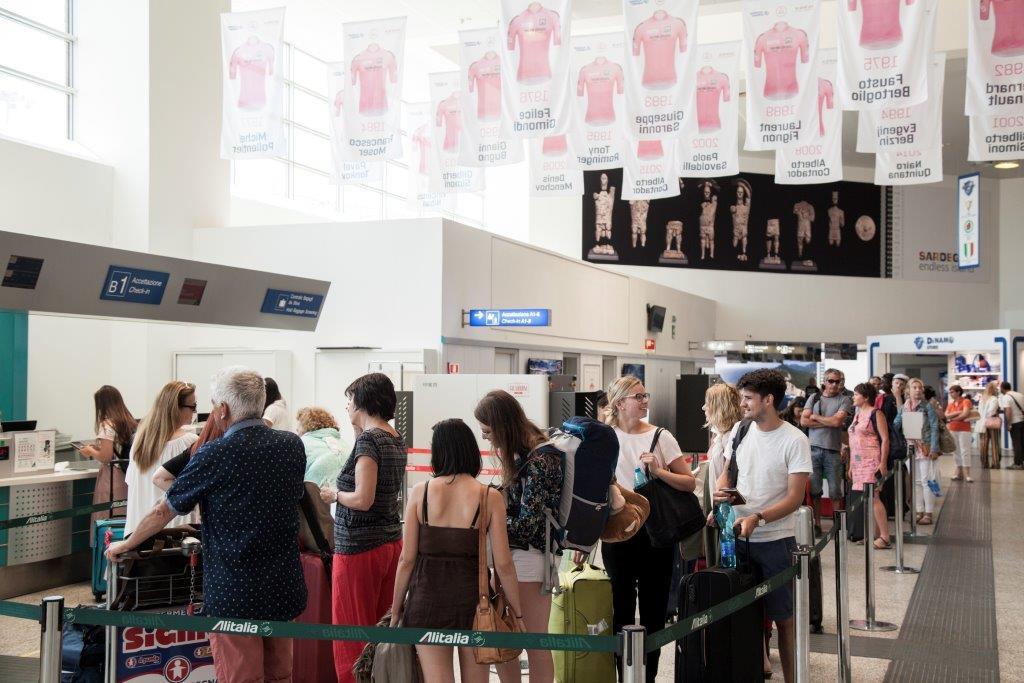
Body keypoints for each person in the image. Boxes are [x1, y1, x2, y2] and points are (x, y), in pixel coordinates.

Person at [107, 367, 307, 683]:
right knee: (280, 676)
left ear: (223, 409)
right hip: (283, 587)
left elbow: (164, 511)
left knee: (241, 677)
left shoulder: (215, 453)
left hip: (234, 591)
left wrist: (127, 543)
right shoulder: (291, 444)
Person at [390, 419, 525, 683]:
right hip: (474, 604)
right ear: (471, 451)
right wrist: (517, 613)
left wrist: (396, 609)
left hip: (426, 601)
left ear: (437, 452)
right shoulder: (489, 496)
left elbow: (406, 560)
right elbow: (504, 564)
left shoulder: (420, 492)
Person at [712, 369, 811, 683]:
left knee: (784, 619)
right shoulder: (741, 430)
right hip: (738, 537)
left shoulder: (795, 440)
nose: (742, 404)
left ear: (769, 400)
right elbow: (729, 473)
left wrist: (759, 517)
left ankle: (794, 678)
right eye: (742, 397)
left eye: (748, 398)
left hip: (776, 540)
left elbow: (795, 498)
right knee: (744, 616)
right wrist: (721, 497)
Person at [599, 376, 694, 682]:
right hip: (617, 532)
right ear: (619, 403)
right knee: (620, 608)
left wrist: (659, 470)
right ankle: (624, 675)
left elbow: (689, 482)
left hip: (655, 533)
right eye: (637, 396)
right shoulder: (604, 437)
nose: (645, 401)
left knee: (653, 611)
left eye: (645, 395)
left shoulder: (661, 437)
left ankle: (648, 676)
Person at [319, 373, 407, 683]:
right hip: (389, 543)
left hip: (358, 547)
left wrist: (333, 495)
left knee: (351, 635)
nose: (346, 405)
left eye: (350, 399)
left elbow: (362, 498)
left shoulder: (370, 440)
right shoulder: (393, 437)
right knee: (380, 631)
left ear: (363, 402)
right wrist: (358, 428)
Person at [474, 390, 561, 683]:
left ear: (502, 426)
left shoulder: (540, 460)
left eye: (487, 431)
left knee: (535, 641)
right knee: (506, 639)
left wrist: (493, 519)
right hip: (517, 557)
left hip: (531, 559)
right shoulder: (526, 454)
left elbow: (527, 525)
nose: (486, 438)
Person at [123, 381, 199, 534]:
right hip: (173, 535)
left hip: (138, 532)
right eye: (193, 407)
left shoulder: (139, 442)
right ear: (176, 408)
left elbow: (132, 485)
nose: (195, 412)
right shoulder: (189, 442)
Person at [77, 385, 136, 537]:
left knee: (106, 516)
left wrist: (90, 451)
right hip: (127, 476)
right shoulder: (130, 422)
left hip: (111, 478)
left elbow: (106, 457)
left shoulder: (107, 425)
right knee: (123, 517)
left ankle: (105, 555)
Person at [800, 369, 852, 533]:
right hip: (813, 449)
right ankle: (817, 524)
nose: (834, 384)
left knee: (835, 490)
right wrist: (828, 421)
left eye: (838, 381)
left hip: (832, 451)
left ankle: (837, 525)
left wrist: (816, 417)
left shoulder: (845, 400)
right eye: (831, 381)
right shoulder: (814, 398)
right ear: (824, 381)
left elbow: (837, 422)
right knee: (815, 490)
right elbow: (804, 420)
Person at [847, 383, 890, 549]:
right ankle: (875, 535)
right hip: (858, 462)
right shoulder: (857, 414)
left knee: (874, 497)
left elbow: (885, 439)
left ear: (865, 397)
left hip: (872, 460)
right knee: (868, 499)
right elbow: (853, 441)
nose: (853, 397)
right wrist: (851, 464)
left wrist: (883, 462)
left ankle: (885, 537)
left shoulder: (876, 413)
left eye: (856, 394)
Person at [894, 379, 939, 525]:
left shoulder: (927, 407)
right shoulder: (903, 407)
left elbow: (934, 427)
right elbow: (896, 424)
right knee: (917, 481)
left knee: (927, 480)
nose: (918, 390)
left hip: (924, 447)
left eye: (920, 387)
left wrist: (933, 448)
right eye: (914, 387)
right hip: (909, 447)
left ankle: (929, 513)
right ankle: (919, 510)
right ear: (908, 390)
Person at [152, 412, 227, 492]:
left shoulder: (143, 440)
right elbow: (159, 478)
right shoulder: (193, 442)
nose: (193, 412)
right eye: (193, 406)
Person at [296, 406, 348, 487]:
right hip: (347, 495)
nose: (297, 430)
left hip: (317, 496)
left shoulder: (302, 442)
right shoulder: (343, 443)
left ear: (305, 425)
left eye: (298, 426)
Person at [946, 385, 974, 482]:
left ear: (958, 392)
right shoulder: (951, 404)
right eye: (950, 392)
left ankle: (967, 474)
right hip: (953, 429)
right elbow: (946, 415)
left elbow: (966, 414)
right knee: (956, 451)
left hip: (964, 430)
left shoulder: (966, 401)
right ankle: (958, 471)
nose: (950, 393)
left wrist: (953, 419)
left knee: (965, 451)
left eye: (952, 392)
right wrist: (959, 413)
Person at [998, 381, 1024, 470]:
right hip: (1022, 421)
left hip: (1015, 422)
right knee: (1022, 442)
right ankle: (1022, 462)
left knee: (1016, 443)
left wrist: (1009, 423)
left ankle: (1017, 464)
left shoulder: (1006, 397)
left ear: (1002, 388)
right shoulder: (1020, 395)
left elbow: (1008, 411)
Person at [976, 382, 1002, 469]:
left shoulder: (982, 398)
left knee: (983, 443)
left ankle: (984, 463)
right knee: (995, 443)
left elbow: (979, 411)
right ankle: (995, 463)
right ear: (994, 389)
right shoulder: (994, 398)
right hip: (991, 423)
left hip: (981, 423)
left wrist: (983, 418)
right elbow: (992, 411)